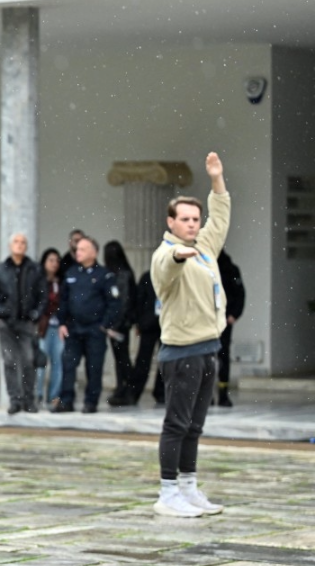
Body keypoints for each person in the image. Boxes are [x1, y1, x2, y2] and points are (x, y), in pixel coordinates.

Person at [151, 152, 231, 518]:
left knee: (195, 425)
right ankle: (168, 493)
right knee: (177, 424)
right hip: (181, 352)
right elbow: (165, 271)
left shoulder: (205, 247)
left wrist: (216, 179)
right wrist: (179, 256)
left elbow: (221, 217)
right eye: (184, 219)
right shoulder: (165, 253)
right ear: (171, 221)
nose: (192, 225)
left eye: (195, 219)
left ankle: (188, 487)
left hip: (208, 347)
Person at [54, 237, 120, 414]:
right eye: (77, 249)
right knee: (68, 365)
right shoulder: (71, 274)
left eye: (83, 249)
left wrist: (104, 325)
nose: (78, 252)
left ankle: (91, 402)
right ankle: (66, 400)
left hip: (94, 329)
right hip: (73, 329)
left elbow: (113, 303)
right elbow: (64, 301)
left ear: (94, 252)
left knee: (94, 367)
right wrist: (62, 323)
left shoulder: (104, 275)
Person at [0, 233, 46, 414]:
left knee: (28, 360)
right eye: (16, 242)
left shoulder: (34, 269)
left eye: (23, 242)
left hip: (27, 323)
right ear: (10, 246)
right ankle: (14, 400)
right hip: (6, 324)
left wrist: (36, 314)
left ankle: (29, 399)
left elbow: (42, 295)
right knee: (10, 362)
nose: (20, 245)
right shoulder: (0, 270)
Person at [103, 241, 138, 408]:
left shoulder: (120, 274)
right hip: (121, 322)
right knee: (120, 357)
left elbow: (122, 301)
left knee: (122, 357)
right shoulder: (123, 273)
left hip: (119, 323)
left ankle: (127, 388)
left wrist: (114, 323)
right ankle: (123, 388)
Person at [126, 270, 164, 405]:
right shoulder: (148, 276)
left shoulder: (175, 274)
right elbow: (139, 299)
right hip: (149, 323)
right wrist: (138, 322)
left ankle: (161, 392)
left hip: (167, 324)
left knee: (165, 360)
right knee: (143, 360)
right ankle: (134, 392)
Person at [216, 249, 245, 407]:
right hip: (206, 319)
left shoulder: (230, 269)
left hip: (224, 320)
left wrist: (234, 314)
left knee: (223, 355)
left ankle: (223, 393)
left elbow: (239, 293)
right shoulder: (203, 268)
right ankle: (207, 395)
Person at [35, 248, 64, 406]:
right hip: (42, 327)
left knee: (58, 363)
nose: (54, 264)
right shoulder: (39, 282)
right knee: (40, 362)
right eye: (51, 260)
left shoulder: (60, 282)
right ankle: (37, 394)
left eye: (57, 261)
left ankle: (54, 395)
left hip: (57, 326)